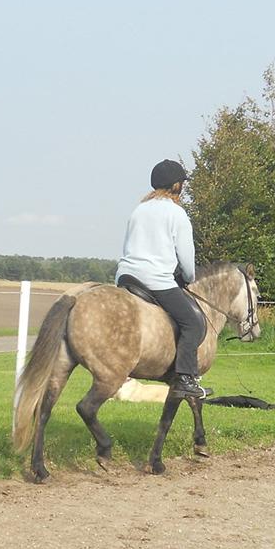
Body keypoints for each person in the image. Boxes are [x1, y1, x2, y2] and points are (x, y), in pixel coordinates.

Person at [115, 159, 210, 400]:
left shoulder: (138, 210)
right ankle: (185, 379)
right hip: (155, 280)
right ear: (176, 185)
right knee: (193, 323)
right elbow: (186, 257)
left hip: (126, 277)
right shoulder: (176, 213)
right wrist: (188, 277)